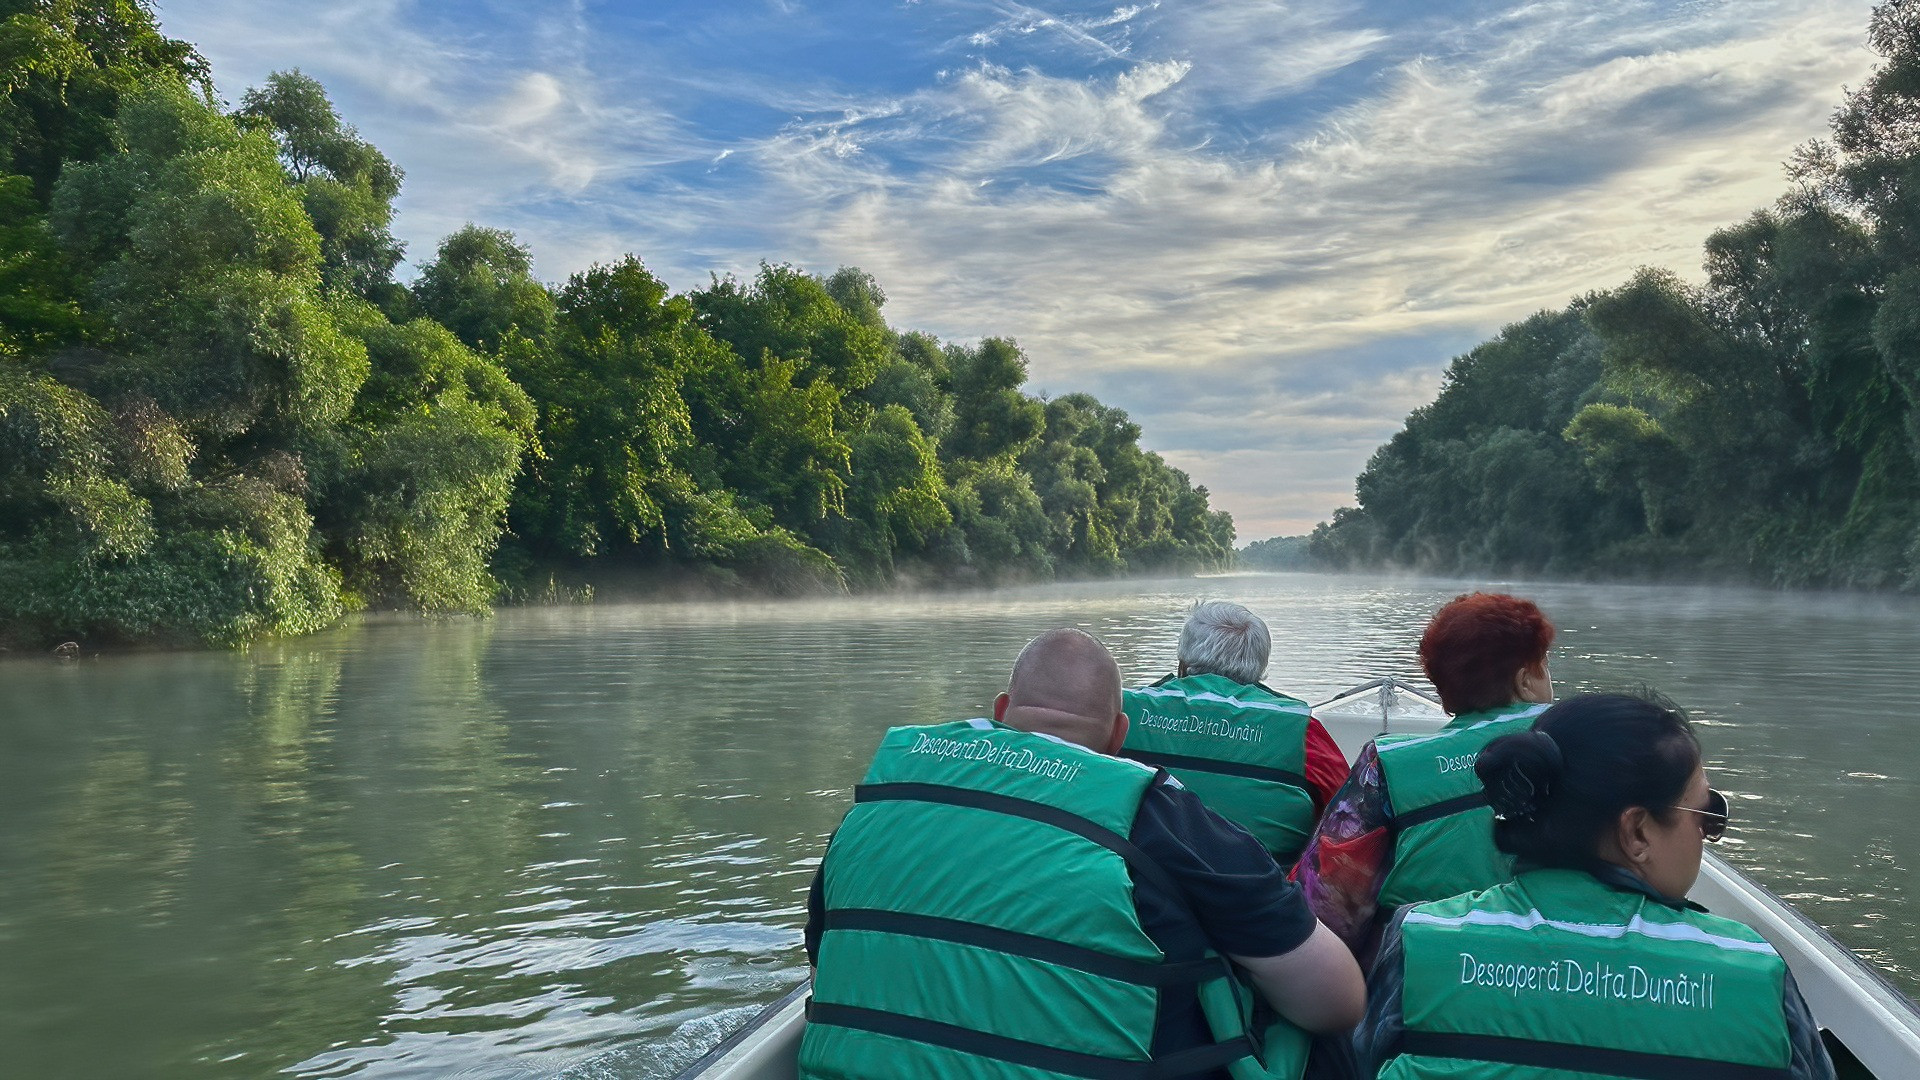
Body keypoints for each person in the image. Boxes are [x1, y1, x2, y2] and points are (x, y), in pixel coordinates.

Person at [800, 628, 1366, 1080]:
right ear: (1121, 736)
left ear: (1003, 710)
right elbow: (1338, 1002)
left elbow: (826, 956)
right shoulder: (1159, 814)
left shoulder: (883, 796)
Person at [1356, 693, 1834, 1079]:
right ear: (1638, 833)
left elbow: (1367, 1060)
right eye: (1706, 814)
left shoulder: (1419, 938)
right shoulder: (1753, 970)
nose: (1707, 832)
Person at [1293, 593, 1554, 961]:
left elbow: (1330, 906)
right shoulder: (1586, 746)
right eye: (1546, 665)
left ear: (1445, 695)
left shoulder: (1386, 763)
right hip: (1557, 969)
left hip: (1421, 976)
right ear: (1526, 680)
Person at [1121, 601, 1350, 866]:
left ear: (1182, 663)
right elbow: (1350, 818)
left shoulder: (1126, 709)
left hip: (1141, 891)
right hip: (1264, 896)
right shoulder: (1302, 730)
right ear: (1259, 669)